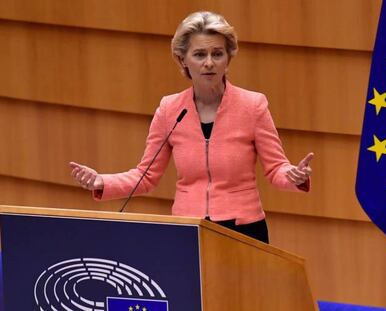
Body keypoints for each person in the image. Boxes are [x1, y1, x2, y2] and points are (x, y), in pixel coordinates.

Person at [69, 11, 313, 244]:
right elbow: (146, 176)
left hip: (244, 229)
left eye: (217, 54)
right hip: (187, 228)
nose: (209, 63)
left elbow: (276, 169)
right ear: (182, 59)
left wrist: (293, 176)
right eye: (199, 55)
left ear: (229, 58)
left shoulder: (253, 106)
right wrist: (102, 181)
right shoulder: (170, 109)